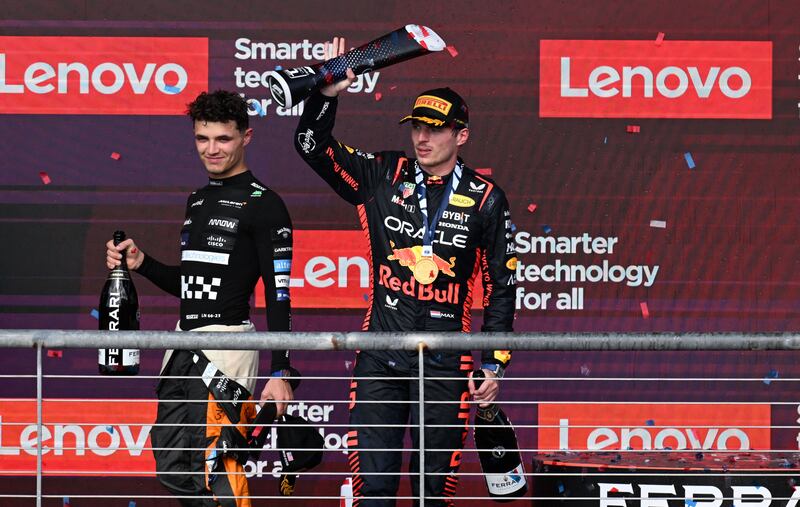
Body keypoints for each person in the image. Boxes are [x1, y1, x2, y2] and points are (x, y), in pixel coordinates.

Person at [294, 38, 516, 507]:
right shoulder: (382, 174)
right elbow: (311, 148)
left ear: (461, 135)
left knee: (431, 496)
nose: (423, 138)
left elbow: (502, 287)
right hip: (379, 357)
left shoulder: (485, 197)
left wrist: (495, 363)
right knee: (374, 492)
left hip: (445, 365)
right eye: (417, 127)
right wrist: (325, 95)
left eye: (436, 129)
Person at [105, 90, 294, 507]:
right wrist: (143, 264)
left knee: (216, 468)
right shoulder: (198, 198)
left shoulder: (265, 204)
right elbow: (192, 285)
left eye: (223, 139)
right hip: (184, 345)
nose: (211, 149)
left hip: (226, 351)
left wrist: (282, 370)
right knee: (176, 465)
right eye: (202, 139)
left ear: (247, 136)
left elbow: (279, 294)